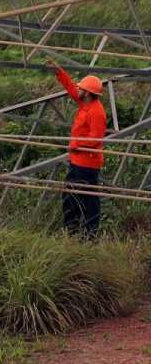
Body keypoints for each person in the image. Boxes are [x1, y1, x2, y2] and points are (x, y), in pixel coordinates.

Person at [52, 67, 106, 239]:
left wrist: (76, 144)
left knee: (84, 199)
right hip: (78, 161)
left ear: (88, 93)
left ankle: (87, 235)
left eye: (82, 88)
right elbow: (71, 89)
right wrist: (59, 72)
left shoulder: (97, 112)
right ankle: (75, 232)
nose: (79, 90)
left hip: (87, 164)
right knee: (74, 196)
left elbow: (95, 139)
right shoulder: (86, 103)